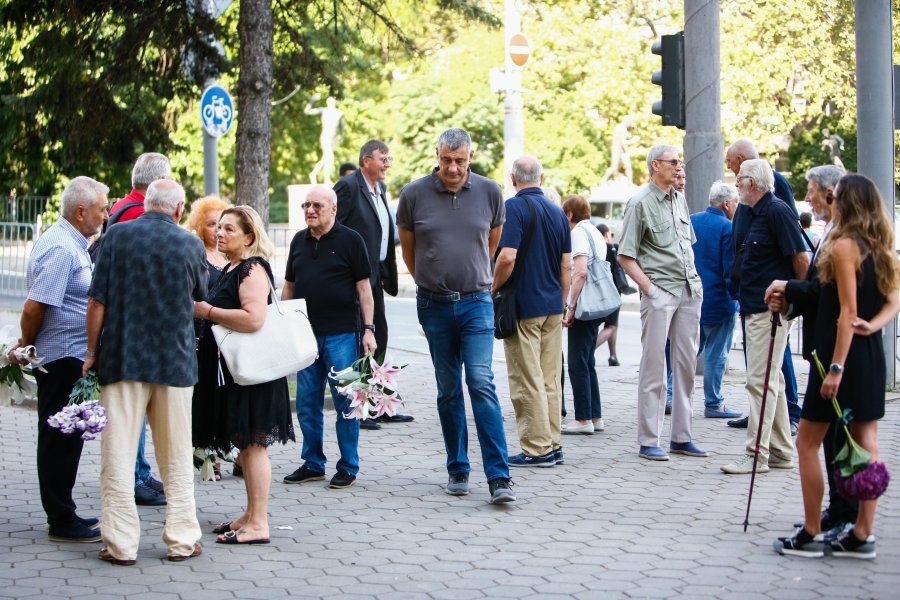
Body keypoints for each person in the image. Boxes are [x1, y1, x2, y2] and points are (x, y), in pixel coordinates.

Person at [769, 174, 899, 558]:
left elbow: (847, 311)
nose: (831, 200)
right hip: (870, 354)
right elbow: (892, 301)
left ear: (848, 202)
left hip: (840, 359)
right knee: (866, 446)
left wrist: (836, 368)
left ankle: (811, 532)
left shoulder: (844, 247)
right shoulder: (881, 244)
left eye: (835, 196)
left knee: (806, 443)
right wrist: (872, 328)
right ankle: (862, 534)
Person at [86, 179, 207, 565]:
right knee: (175, 455)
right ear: (178, 208)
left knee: (118, 453)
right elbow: (200, 299)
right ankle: (182, 539)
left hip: (124, 358)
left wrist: (92, 352)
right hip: (175, 361)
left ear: (147, 203)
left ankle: (120, 545)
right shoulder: (191, 244)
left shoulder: (117, 237)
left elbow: (97, 301)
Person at [396, 128, 515, 504]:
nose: (452, 167)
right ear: (437, 155)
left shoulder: (490, 192)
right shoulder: (413, 194)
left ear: (470, 156)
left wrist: (472, 277)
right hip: (434, 304)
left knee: (480, 381)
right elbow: (410, 253)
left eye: (459, 160)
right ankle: (458, 468)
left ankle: (498, 477)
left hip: (477, 301)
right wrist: (431, 280)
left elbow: (491, 243)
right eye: (446, 159)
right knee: (448, 389)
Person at [10, 176, 108, 543]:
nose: (105, 215)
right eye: (101, 208)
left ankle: (64, 510)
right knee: (58, 438)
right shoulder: (62, 247)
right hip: (61, 355)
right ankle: (60, 518)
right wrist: (25, 346)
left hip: (72, 355)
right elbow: (35, 306)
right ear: (81, 211)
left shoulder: (73, 241)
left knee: (70, 435)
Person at [193, 206, 295, 544]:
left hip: (253, 376)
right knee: (246, 445)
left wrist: (207, 311)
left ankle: (259, 522)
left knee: (254, 446)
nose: (220, 233)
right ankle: (250, 515)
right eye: (218, 227)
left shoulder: (252, 268)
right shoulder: (232, 267)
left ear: (249, 237)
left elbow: (253, 319)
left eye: (229, 230)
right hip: (239, 375)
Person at [773, 165, 858, 538]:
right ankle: (840, 512)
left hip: (834, 355)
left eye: (811, 191)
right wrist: (790, 296)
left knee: (834, 438)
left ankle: (842, 517)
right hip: (826, 353)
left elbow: (836, 301)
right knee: (833, 438)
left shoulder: (844, 240)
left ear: (831, 193)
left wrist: (788, 288)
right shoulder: (832, 233)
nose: (807, 199)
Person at [282, 185, 376, 490]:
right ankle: (312, 463)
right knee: (308, 402)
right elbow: (289, 287)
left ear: (333, 209)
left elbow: (364, 289)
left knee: (347, 402)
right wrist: (284, 324)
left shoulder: (351, 240)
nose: (310, 210)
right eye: (306, 205)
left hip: (343, 335)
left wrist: (369, 330)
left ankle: (348, 465)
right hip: (306, 336)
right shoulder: (298, 241)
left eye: (317, 206)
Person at [720, 159, 809, 475]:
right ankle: (782, 451)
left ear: (752, 183)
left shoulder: (776, 211)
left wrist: (793, 301)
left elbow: (800, 257)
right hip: (754, 308)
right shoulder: (754, 212)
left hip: (768, 311)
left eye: (739, 179)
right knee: (773, 381)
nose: (736, 184)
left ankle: (756, 453)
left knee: (760, 383)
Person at [617, 145, 706, 461]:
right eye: (673, 161)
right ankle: (649, 439)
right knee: (654, 366)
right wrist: (650, 290)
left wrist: (695, 285)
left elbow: (687, 246)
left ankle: (682, 437)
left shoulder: (679, 198)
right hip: (660, 291)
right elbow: (625, 255)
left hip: (688, 290)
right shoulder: (640, 203)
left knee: (685, 367)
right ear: (655, 165)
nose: (679, 166)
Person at [491, 155, 570, 467]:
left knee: (527, 379)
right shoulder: (557, 211)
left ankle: (536, 448)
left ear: (513, 179)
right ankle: (553, 442)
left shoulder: (513, 208)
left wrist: (493, 287)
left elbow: (507, 256)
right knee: (550, 378)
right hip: (552, 306)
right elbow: (567, 264)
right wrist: (561, 301)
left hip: (524, 307)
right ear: (542, 177)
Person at [105, 152, 173, 506]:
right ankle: (135, 477)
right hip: (136, 325)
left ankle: (142, 471)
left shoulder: (121, 207)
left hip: (126, 321)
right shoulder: (136, 214)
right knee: (135, 408)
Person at [334, 139, 410, 429]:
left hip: (375, 274)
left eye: (389, 158)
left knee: (379, 335)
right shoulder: (349, 187)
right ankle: (361, 407)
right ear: (366, 160)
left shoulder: (381, 188)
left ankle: (380, 404)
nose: (387, 164)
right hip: (353, 277)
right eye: (383, 158)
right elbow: (334, 227)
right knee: (360, 338)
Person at [690, 182, 741, 419]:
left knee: (687, 351)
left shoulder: (692, 220)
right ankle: (713, 402)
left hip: (692, 297)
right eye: (736, 203)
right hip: (719, 300)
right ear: (727, 203)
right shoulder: (727, 228)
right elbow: (730, 270)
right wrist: (737, 299)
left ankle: (670, 394)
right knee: (716, 353)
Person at [561, 194, 607, 435]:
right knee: (588, 361)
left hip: (584, 304)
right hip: (598, 303)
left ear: (569, 214)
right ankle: (594, 415)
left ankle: (582, 419)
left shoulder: (578, 233)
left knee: (577, 362)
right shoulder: (596, 232)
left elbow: (580, 272)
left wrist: (570, 306)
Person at [595, 223, 622, 366]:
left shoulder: (595, 248)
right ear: (606, 235)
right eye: (610, 234)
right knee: (611, 326)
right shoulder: (613, 248)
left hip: (598, 292)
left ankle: (613, 355)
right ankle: (589, 350)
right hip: (613, 293)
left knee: (612, 325)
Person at [305, 95, 344, 185]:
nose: (331, 103)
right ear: (327, 102)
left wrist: (342, 136)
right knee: (330, 158)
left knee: (325, 158)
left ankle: (313, 173)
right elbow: (307, 111)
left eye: (332, 101)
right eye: (329, 101)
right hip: (325, 137)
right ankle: (326, 179)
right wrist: (312, 100)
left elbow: (342, 125)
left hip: (333, 138)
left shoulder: (339, 113)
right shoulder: (324, 110)